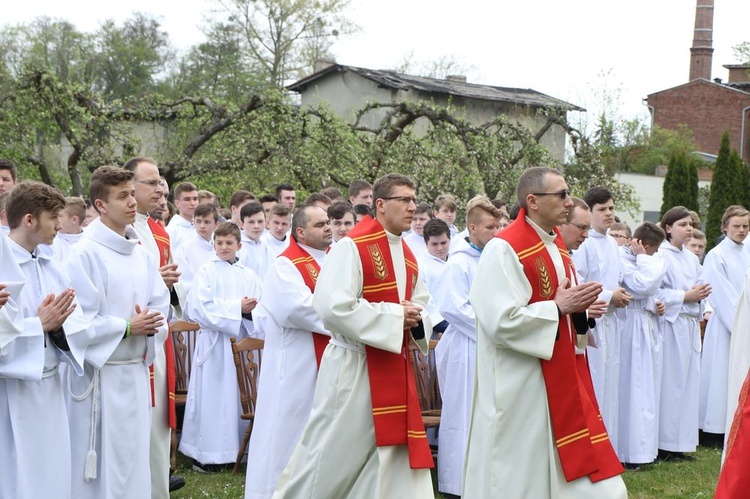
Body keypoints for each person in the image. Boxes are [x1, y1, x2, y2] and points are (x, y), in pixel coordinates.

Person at [463, 167, 626, 498]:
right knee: (521, 474)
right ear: (533, 201)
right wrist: (557, 309)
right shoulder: (504, 249)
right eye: (562, 195)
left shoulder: (555, 247)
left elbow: (565, 305)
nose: (569, 202)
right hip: (520, 383)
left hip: (559, 374)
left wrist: (579, 310)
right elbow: (500, 320)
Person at [274, 173, 434, 498]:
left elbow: (421, 304)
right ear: (380, 205)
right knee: (329, 455)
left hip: (392, 364)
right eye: (404, 200)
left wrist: (415, 318)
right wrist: (394, 316)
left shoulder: (406, 253)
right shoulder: (351, 246)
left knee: (387, 456)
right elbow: (331, 306)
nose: (412, 207)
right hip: (353, 365)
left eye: (414, 200)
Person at [64, 165, 170, 498]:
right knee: (100, 468)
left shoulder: (140, 253)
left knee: (133, 460)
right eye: (121, 196)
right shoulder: (83, 254)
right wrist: (126, 327)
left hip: (135, 374)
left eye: (130, 194)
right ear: (100, 205)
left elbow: (160, 304)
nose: (131, 203)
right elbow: (77, 320)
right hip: (101, 379)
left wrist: (152, 323)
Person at [1, 181, 88, 499]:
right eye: (53, 217)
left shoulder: (55, 266)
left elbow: (75, 324)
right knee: (16, 474)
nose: (60, 225)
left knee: (51, 473)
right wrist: (37, 325)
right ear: (29, 220)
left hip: (50, 387)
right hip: (11, 393)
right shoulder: (2, 266)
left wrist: (56, 329)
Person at [245, 205, 332, 499]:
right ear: (301, 232)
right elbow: (297, 310)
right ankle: (273, 492)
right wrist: (349, 318)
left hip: (329, 363)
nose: (328, 228)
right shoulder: (286, 265)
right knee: (286, 434)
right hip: (294, 367)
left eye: (328, 222)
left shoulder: (334, 260)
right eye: (320, 224)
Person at [179, 222, 263, 472]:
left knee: (237, 398)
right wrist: (236, 308)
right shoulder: (206, 271)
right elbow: (198, 307)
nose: (224, 248)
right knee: (215, 400)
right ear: (213, 245)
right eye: (219, 243)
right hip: (215, 347)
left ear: (239, 245)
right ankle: (210, 455)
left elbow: (262, 306)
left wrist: (249, 313)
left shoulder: (249, 274)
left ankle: (239, 451)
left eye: (229, 243)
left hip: (241, 343)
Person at [123, 157, 184, 497]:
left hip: (157, 339)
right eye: (151, 182)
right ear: (130, 186)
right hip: (131, 338)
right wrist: (153, 281)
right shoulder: (121, 230)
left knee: (157, 426)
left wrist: (169, 285)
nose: (160, 188)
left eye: (160, 181)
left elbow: (174, 289)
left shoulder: (160, 231)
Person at [435, 195, 501, 498]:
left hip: (489, 346)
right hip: (466, 346)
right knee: (462, 415)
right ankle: (456, 483)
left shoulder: (491, 257)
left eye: (498, 226)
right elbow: (452, 307)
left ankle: (483, 479)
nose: (496, 232)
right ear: (472, 227)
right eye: (490, 227)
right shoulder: (459, 262)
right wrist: (491, 327)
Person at [572, 186, 632, 457]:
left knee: (610, 384)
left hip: (611, 324)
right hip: (592, 323)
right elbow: (578, 285)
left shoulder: (611, 243)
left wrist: (621, 296)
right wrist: (610, 295)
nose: (609, 213)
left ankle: (608, 449)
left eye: (611, 208)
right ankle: (592, 449)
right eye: (602, 209)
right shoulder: (583, 244)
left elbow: (615, 278)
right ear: (590, 211)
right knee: (594, 383)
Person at [655, 206, 712, 461]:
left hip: (689, 324)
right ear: (668, 228)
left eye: (690, 224)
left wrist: (699, 295)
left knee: (689, 383)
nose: (688, 228)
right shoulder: (661, 255)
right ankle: (665, 443)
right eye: (682, 225)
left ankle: (682, 442)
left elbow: (699, 284)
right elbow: (655, 291)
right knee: (672, 383)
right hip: (671, 324)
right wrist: (685, 296)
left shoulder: (690, 257)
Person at [617, 222, 667, 469]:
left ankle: (644, 449)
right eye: (653, 252)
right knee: (632, 388)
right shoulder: (622, 257)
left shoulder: (642, 259)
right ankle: (629, 451)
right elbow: (642, 285)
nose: (654, 257)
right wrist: (643, 259)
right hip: (629, 329)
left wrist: (654, 304)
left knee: (645, 390)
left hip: (645, 327)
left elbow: (651, 288)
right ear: (645, 246)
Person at [699, 206, 750, 446]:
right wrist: (741, 324)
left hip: (746, 323)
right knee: (722, 375)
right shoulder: (716, 255)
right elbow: (721, 294)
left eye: (745, 226)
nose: (741, 230)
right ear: (724, 227)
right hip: (727, 326)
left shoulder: (748, 251)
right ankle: (716, 430)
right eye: (737, 226)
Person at [174, 203, 220, 299]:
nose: (202, 226)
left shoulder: (219, 249)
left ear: (216, 224)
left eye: (207, 222)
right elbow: (183, 282)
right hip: (195, 299)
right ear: (193, 222)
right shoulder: (184, 249)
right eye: (198, 221)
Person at [417, 218, 451, 337]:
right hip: (437, 328)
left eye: (443, 243)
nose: (440, 248)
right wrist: (443, 324)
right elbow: (425, 299)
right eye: (434, 244)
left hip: (460, 322)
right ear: (426, 243)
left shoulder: (456, 261)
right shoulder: (420, 265)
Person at [238, 202, 272, 279]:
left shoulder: (267, 246)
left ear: (266, 222)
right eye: (251, 222)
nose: (256, 226)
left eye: (260, 221)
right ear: (241, 224)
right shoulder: (237, 247)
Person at [50, 196, 86, 262]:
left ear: (74, 220)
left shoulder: (91, 239)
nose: (56, 219)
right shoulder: (52, 240)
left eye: (60, 216)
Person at [166, 182, 199, 248]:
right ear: (177, 203)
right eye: (187, 199)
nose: (192, 203)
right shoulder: (171, 230)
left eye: (195, 199)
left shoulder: (201, 227)